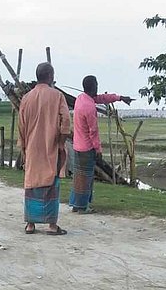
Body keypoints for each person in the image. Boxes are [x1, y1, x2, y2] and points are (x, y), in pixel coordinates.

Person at [18, 62, 72, 236]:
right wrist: (61, 142)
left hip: (32, 148)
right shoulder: (57, 96)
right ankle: (51, 225)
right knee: (51, 185)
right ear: (50, 76)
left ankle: (30, 224)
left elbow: (21, 126)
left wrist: (24, 147)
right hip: (51, 148)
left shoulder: (26, 98)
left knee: (32, 184)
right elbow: (66, 121)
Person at [70, 75, 133, 213]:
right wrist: (98, 149)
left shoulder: (81, 99)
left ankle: (77, 204)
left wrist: (120, 98)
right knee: (87, 177)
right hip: (87, 148)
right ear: (93, 86)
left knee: (79, 177)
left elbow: (102, 98)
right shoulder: (89, 107)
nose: (97, 87)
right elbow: (93, 131)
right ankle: (83, 207)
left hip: (77, 146)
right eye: (96, 84)